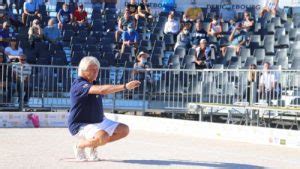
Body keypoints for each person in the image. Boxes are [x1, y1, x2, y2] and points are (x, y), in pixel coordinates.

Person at [68, 56, 140, 161]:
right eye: (93, 70)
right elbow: (102, 90)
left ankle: (93, 145)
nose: (96, 73)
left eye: (97, 70)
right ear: (83, 70)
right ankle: (80, 145)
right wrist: (125, 86)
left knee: (124, 130)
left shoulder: (93, 83)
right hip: (80, 124)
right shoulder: (79, 84)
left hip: (98, 120)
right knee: (103, 137)